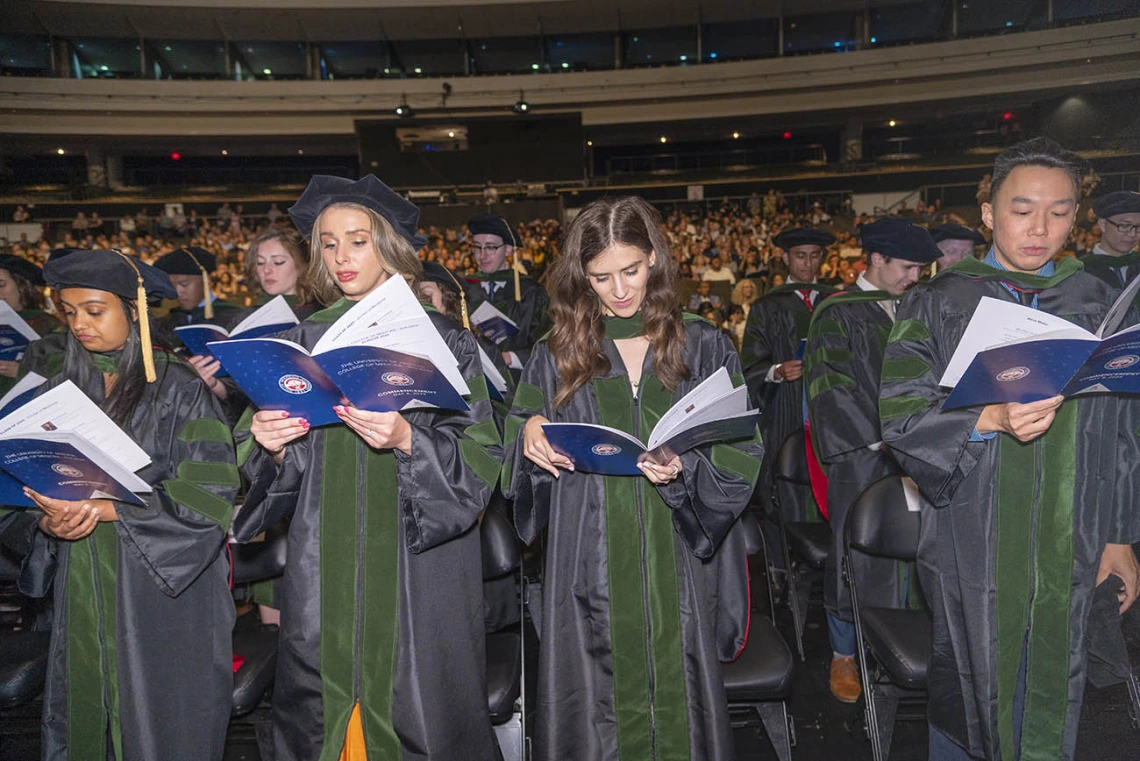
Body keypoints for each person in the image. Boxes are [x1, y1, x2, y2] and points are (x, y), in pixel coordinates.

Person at [879, 138, 1140, 761]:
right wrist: (986, 417)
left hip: (1071, 537)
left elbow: (1123, 432)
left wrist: (1121, 538)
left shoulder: (1098, 304)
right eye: (1022, 210)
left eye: (1059, 211)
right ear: (989, 214)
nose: (1040, 228)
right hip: (974, 532)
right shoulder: (937, 301)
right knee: (970, 694)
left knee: (1053, 691)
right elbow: (900, 413)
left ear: (1077, 216)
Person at [233, 174, 501, 761]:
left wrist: (409, 439)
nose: (341, 256)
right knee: (322, 704)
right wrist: (271, 443)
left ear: (389, 245)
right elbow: (265, 470)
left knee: (418, 706)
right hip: (323, 559)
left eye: (358, 240)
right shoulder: (300, 340)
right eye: (328, 244)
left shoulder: (445, 341)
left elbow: (483, 456)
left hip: (416, 568)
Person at [502, 195, 761, 761]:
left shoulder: (705, 342)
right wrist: (527, 432)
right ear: (581, 276)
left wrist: (686, 469)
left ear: (655, 261)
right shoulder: (558, 351)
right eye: (600, 277)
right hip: (586, 556)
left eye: (632, 270)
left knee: (678, 697)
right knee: (596, 711)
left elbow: (742, 448)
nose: (619, 290)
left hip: (677, 554)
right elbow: (517, 438)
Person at [0, 249, 237, 760]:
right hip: (83, 581)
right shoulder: (62, 389)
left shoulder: (180, 388)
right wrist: (48, 520)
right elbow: (21, 494)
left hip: (159, 588)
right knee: (86, 708)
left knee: (160, 722)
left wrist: (109, 510)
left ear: (134, 310)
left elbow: (209, 493)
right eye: (69, 312)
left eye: (93, 309)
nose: (79, 324)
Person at [804, 218, 940, 703]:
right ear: (876, 259)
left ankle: (906, 643)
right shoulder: (836, 313)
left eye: (922, 269)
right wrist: (880, 439)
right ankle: (844, 654)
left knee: (924, 549)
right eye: (907, 267)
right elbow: (829, 386)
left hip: (923, 451)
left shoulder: (919, 307)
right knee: (855, 554)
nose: (915, 277)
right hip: (863, 456)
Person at [740, 227, 836, 551]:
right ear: (785, 258)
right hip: (785, 410)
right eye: (799, 256)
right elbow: (750, 364)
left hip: (828, 412)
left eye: (814, 256)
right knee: (786, 487)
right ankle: (783, 570)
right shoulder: (767, 306)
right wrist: (776, 371)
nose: (808, 264)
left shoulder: (836, 301)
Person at [463, 213, 551, 374]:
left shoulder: (531, 291)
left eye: (490, 247)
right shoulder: (464, 289)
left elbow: (546, 343)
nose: (482, 256)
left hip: (520, 383)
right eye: (477, 247)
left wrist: (511, 357)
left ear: (509, 250)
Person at [1081, 190, 1140, 291]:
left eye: (1138, 227)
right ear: (1103, 225)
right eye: (1124, 225)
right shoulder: (1080, 270)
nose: (1132, 234)